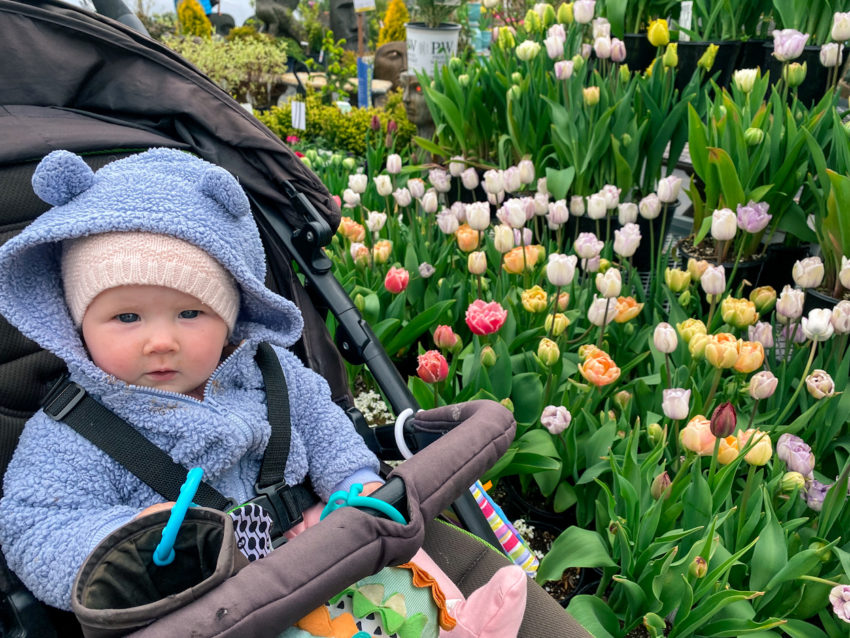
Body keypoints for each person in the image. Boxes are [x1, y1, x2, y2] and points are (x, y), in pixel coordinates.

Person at [0, 148, 524, 636]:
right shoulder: (74, 428)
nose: (161, 341)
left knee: (393, 550)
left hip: (321, 547)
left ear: (229, 317)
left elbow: (324, 425)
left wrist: (356, 480)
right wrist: (122, 542)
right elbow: (34, 526)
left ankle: (456, 621)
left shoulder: (269, 372)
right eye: (126, 317)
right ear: (78, 322)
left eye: (191, 313)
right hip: (215, 602)